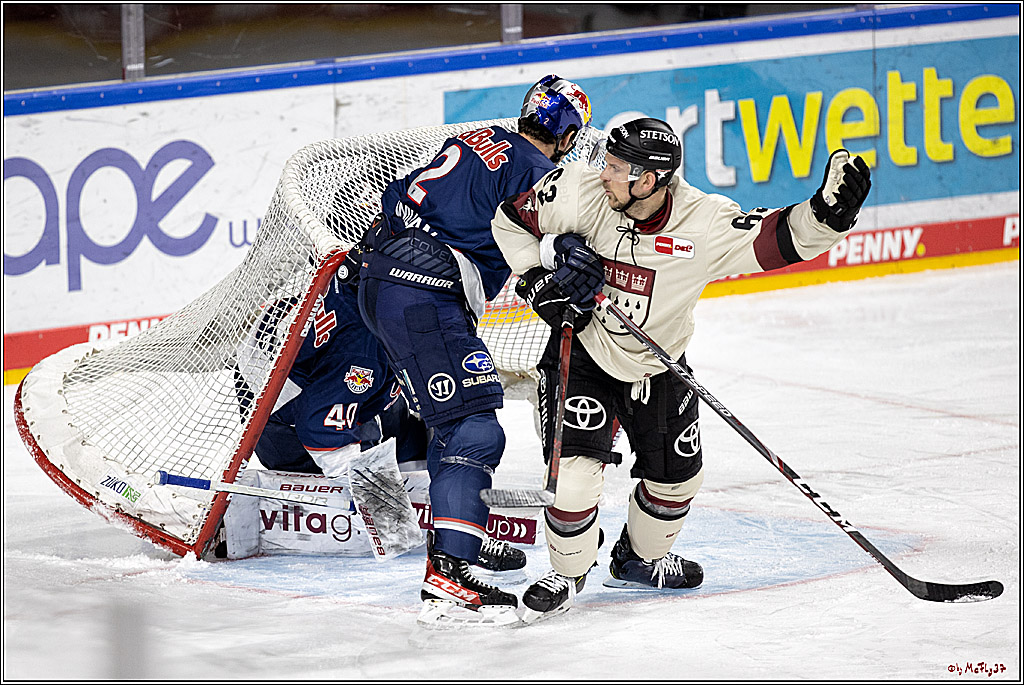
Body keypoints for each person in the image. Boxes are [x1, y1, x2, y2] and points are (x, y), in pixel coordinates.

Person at [490, 116, 871, 622]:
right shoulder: (580, 191)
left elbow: (778, 238)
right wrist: (544, 270)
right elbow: (508, 221)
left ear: (648, 180)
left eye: (616, 166)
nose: (603, 171)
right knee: (574, 482)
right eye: (606, 160)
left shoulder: (704, 222)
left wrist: (827, 215)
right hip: (583, 354)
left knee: (677, 481)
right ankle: (568, 569)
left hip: (659, 361)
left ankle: (639, 560)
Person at [354, 74, 593, 618]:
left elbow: (399, 193)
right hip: (424, 295)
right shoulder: (538, 171)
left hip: (384, 280)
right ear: (568, 133)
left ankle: (455, 535)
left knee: (450, 419)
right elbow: (555, 240)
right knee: (476, 423)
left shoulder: (475, 139)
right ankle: (449, 571)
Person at [242, 275, 524, 572]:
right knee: (361, 458)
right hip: (280, 423)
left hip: (311, 370)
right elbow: (320, 426)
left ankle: (444, 508)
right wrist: (384, 506)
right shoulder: (363, 355)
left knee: (415, 425)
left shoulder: (378, 289)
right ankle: (447, 535)